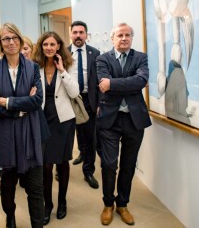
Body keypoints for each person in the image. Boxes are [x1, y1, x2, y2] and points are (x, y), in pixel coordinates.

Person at [0, 23, 44, 228]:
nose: (11, 42)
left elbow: (37, 100)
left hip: (30, 133)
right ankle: (9, 216)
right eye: (6, 39)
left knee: (35, 188)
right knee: (8, 184)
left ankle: (37, 223)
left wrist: (9, 102)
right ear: (0, 44)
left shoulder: (33, 67)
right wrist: (20, 108)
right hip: (6, 135)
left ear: (20, 40)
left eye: (14, 38)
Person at [96, 22, 151, 225]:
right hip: (110, 119)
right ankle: (108, 203)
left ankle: (122, 204)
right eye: (120, 35)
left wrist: (113, 84)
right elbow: (104, 84)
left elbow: (142, 80)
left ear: (131, 38)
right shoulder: (103, 59)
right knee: (109, 164)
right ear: (113, 38)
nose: (124, 38)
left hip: (134, 120)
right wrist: (133, 83)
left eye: (128, 35)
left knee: (128, 165)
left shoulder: (140, 57)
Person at [33, 31, 79, 225]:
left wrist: (62, 70)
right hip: (43, 120)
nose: (49, 48)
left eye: (53, 44)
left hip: (64, 121)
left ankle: (62, 202)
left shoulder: (69, 64)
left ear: (59, 46)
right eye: (46, 45)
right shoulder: (36, 67)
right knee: (45, 165)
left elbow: (75, 91)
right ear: (41, 47)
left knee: (62, 162)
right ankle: (48, 204)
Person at [69, 20, 100, 189]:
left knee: (90, 136)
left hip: (88, 99)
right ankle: (76, 156)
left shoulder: (95, 53)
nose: (78, 35)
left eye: (81, 32)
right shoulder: (63, 53)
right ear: (71, 34)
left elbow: (99, 79)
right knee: (72, 132)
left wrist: (99, 102)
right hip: (69, 100)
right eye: (75, 32)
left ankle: (88, 171)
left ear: (86, 35)